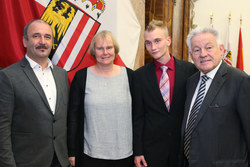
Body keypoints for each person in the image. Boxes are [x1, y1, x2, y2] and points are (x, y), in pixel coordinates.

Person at [0, 19, 70, 167]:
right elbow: (2, 127)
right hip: (27, 161)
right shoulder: (8, 76)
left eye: (47, 37)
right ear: (25, 41)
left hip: (60, 160)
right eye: (36, 36)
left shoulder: (62, 75)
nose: (42, 41)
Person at [179, 27, 250, 167]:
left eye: (209, 47)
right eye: (197, 50)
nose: (203, 54)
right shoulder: (191, 82)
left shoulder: (240, 81)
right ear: (191, 55)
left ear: (222, 49)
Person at [133, 20, 197, 167]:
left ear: (168, 40)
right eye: (148, 43)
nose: (153, 47)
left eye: (157, 41)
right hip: (151, 151)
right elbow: (138, 117)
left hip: (183, 150)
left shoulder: (190, 71)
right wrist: (138, 151)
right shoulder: (139, 76)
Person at [67, 30, 134, 167]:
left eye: (109, 47)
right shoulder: (81, 77)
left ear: (115, 50)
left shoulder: (130, 76)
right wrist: (72, 151)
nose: (105, 52)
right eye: (100, 48)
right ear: (93, 51)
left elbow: (139, 116)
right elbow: (73, 117)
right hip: (90, 156)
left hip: (125, 155)